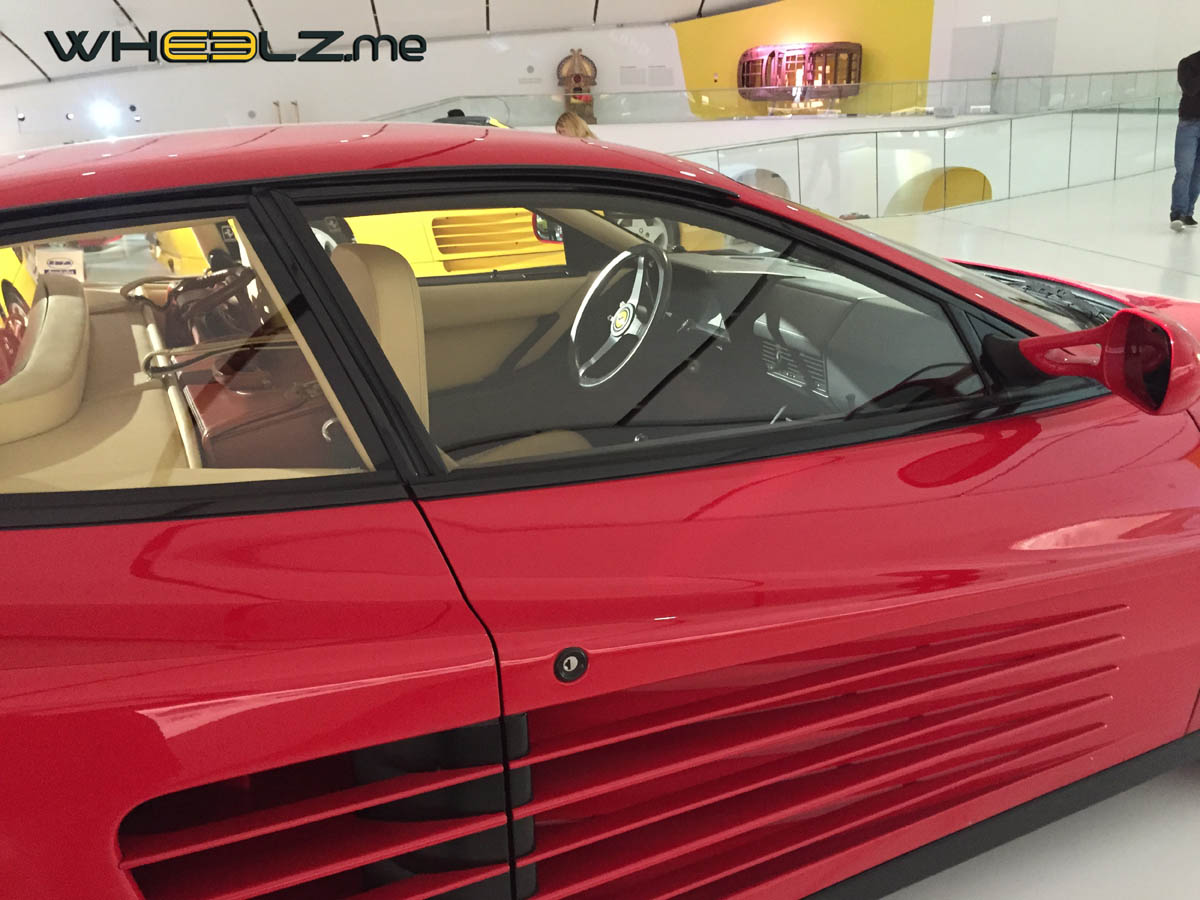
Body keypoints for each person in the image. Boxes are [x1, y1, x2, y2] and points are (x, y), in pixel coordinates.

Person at [1171, 50, 1200, 231]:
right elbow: (1190, 89)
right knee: (1184, 169)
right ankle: (1178, 213)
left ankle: (1188, 212)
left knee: (1198, 173)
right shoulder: (1187, 64)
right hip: (1189, 123)